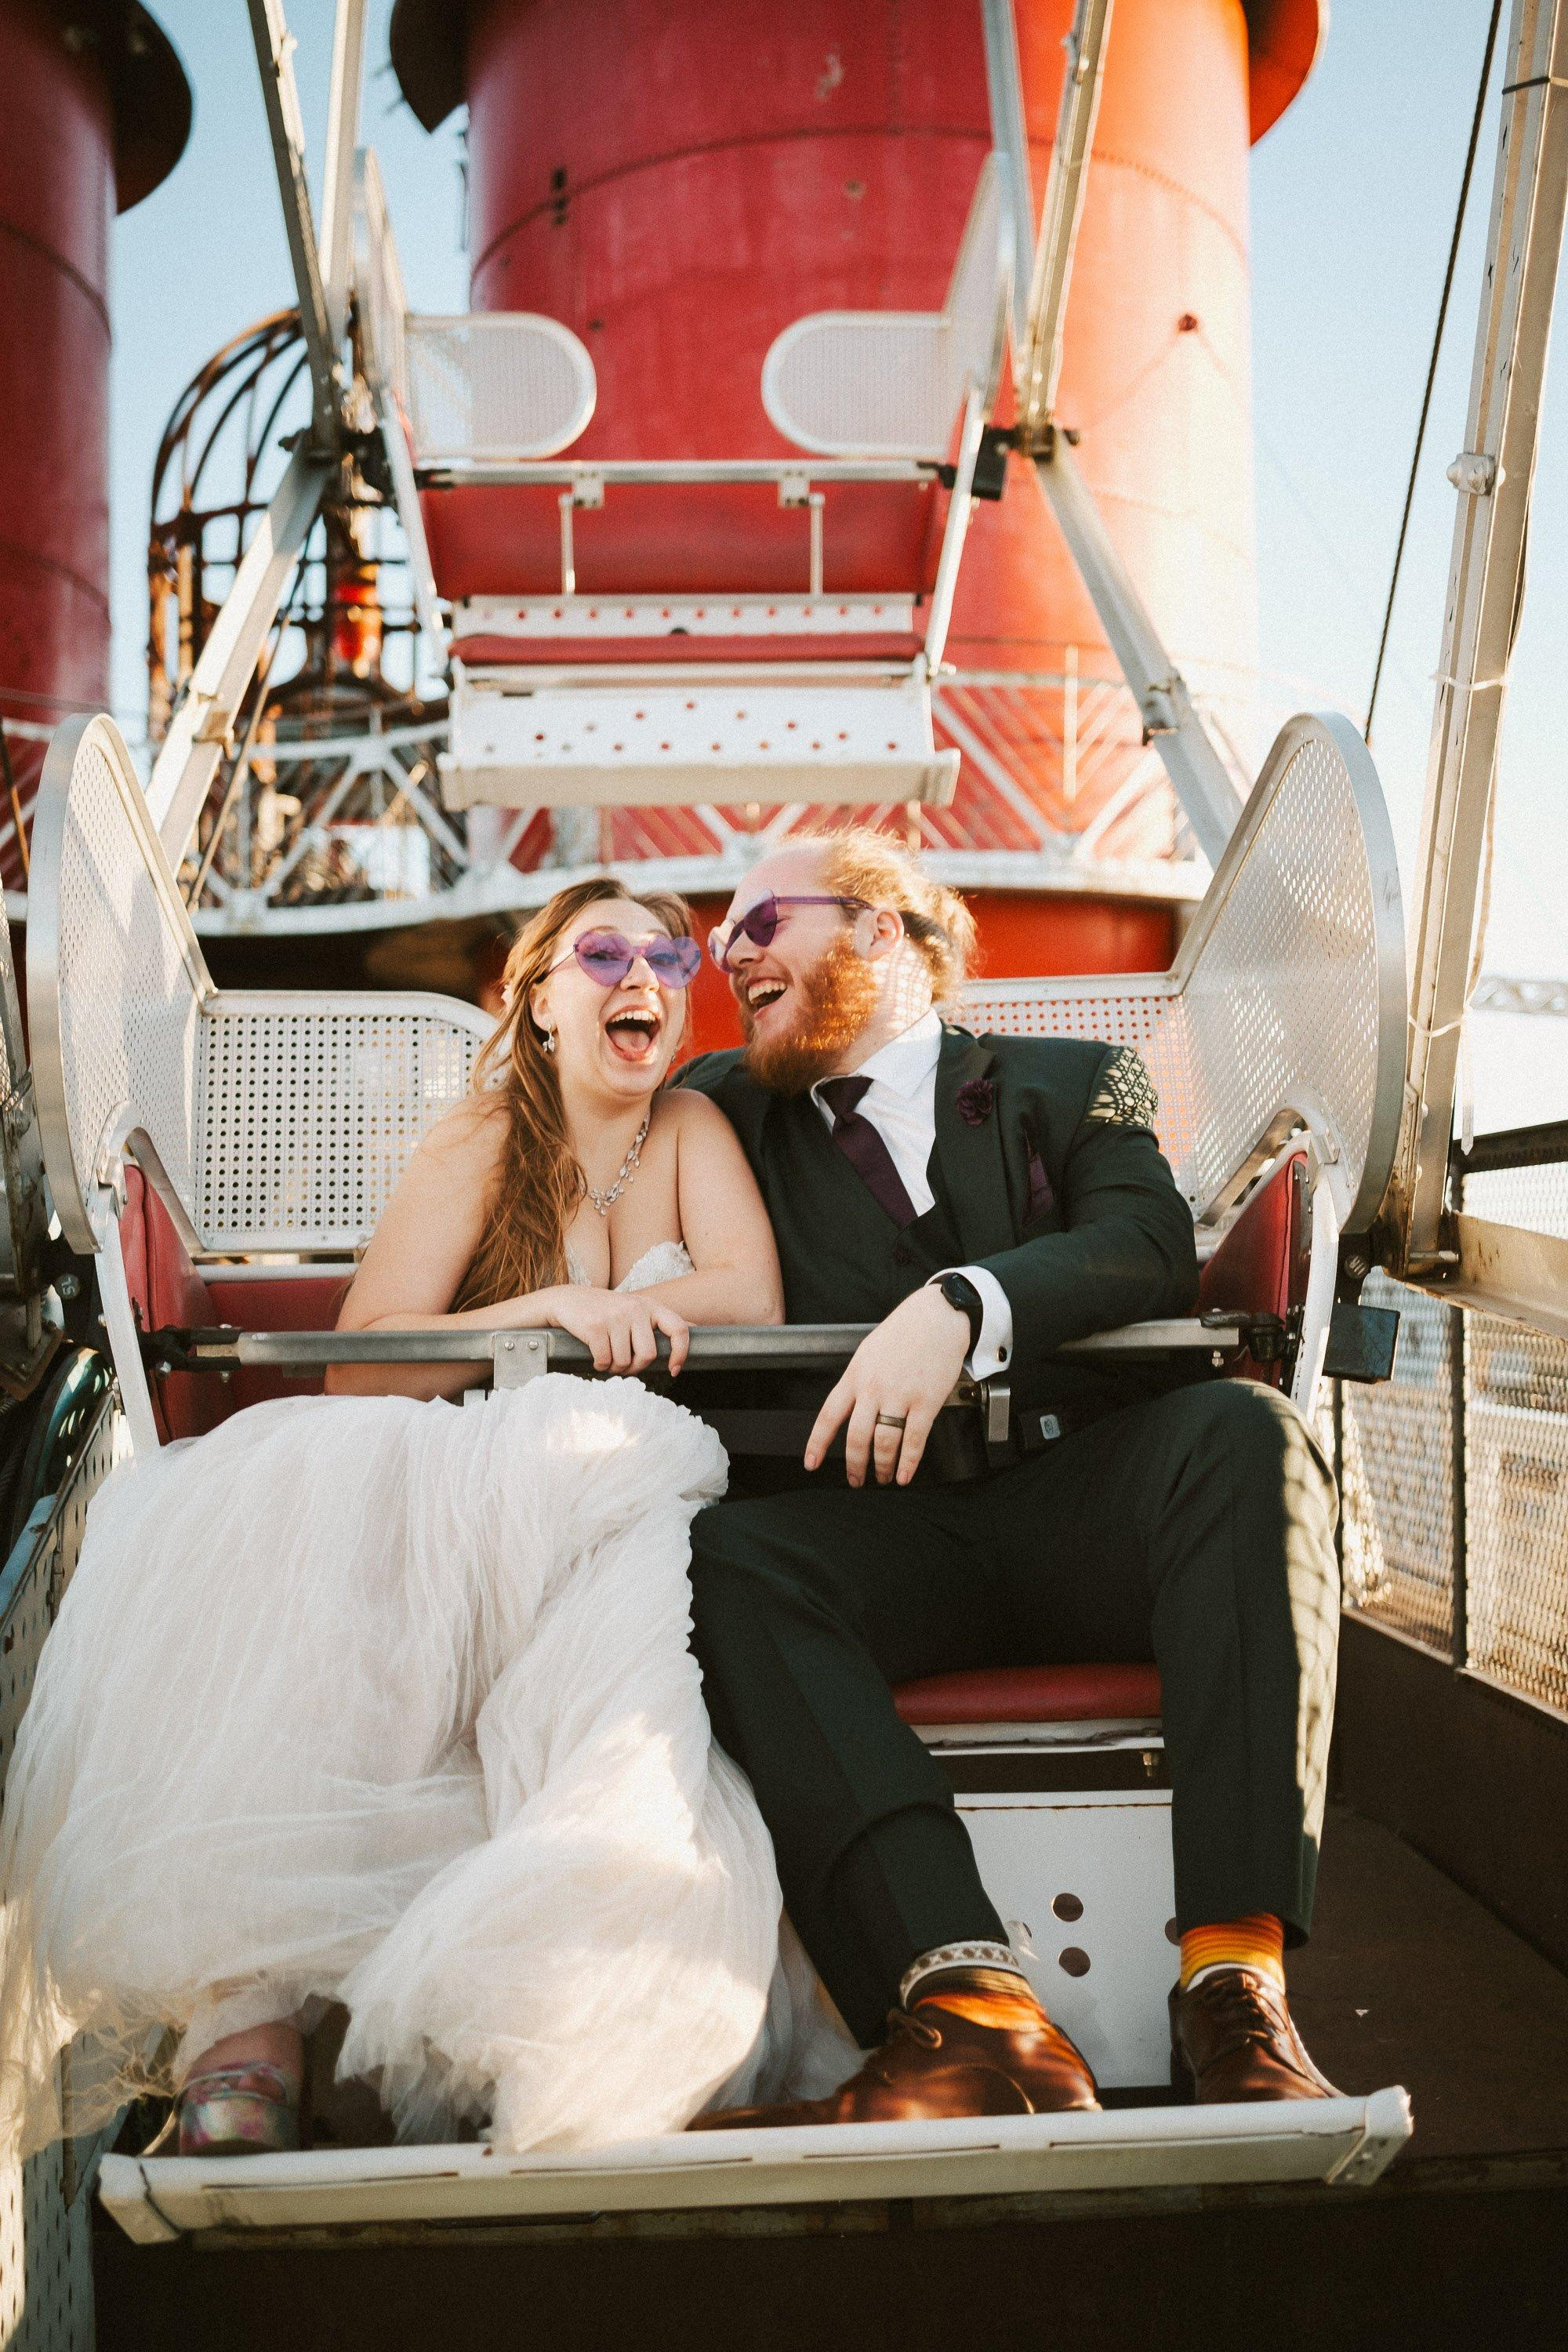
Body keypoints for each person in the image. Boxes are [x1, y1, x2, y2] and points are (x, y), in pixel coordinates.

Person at [0, 879, 852, 2164]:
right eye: (601, 952)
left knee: (620, 1661)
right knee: (330, 1556)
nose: (643, 976)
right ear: (539, 1005)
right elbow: (365, 1366)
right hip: (469, 1464)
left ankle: (556, 2008)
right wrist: (551, 1311)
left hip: (631, 1478)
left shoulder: (689, 1127)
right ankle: (248, 2025)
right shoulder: (483, 1136)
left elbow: (749, 1291)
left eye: (668, 955)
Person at [677, 827, 1343, 2126]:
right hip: (884, 1533)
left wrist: (962, 1306)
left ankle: (1234, 1990)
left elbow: (1146, 1242)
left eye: (761, 925)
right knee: (726, 1563)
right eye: (719, 941)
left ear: (880, 929)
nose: (730, 957)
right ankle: (973, 2013)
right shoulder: (719, 1115)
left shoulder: (1077, 1078)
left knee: (1244, 1436)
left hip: (1081, 1501)